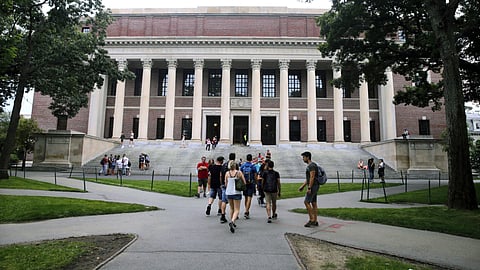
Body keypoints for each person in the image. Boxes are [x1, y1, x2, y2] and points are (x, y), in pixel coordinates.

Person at [298, 151, 319, 227]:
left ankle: (312, 219)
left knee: (306, 202)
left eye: (303, 157)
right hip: (314, 185)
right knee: (313, 203)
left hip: (313, 186)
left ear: (307, 157)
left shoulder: (311, 166)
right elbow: (309, 178)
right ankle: (315, 220)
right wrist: (303, 186)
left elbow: (312, 177)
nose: (303, 159)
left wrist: (309, 187)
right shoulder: (311, 165)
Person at [225, 161, 246, 233]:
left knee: (231, 208)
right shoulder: (239, 173)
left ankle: (232, 221)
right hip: (236, 192)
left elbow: (226, 183)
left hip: (229, 192)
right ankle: (233, 221)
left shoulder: (227, 173)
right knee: (237, 209)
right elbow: (244, 182)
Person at [220, 153, 237, 224]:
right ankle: (234, 215)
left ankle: (223, 215)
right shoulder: (235, 165)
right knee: (233, 201)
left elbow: (221, 175)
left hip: (224, 184)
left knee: (224, 200)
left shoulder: (224, 165)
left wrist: (222, 183)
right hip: (232, 185)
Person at [240, 154, 257, 219]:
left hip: (244, 183)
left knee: (246, 197)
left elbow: (240, 174)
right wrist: (256, 183)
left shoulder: (243, 165)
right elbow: (255, 175)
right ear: (251, 159)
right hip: (251, 183)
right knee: (250, 197)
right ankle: (247, 211)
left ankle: (246, 210)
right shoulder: (253, 166)